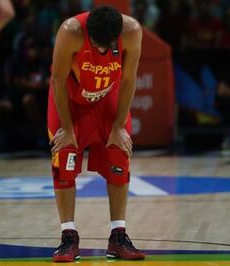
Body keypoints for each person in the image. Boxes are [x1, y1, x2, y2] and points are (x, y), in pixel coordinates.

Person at [48, 6, 144, 262]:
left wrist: (118, 127)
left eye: (107, 46)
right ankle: (68, 236)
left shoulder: (132, 31)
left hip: (107, 98)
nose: (102, 51)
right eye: (97, 45)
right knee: (64, 156)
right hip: (71, 99)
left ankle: (118, 235)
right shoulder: (71, 31)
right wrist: (67, 129)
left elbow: (128, 79)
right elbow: (57, 80)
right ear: (88, 32)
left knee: (119, 154)